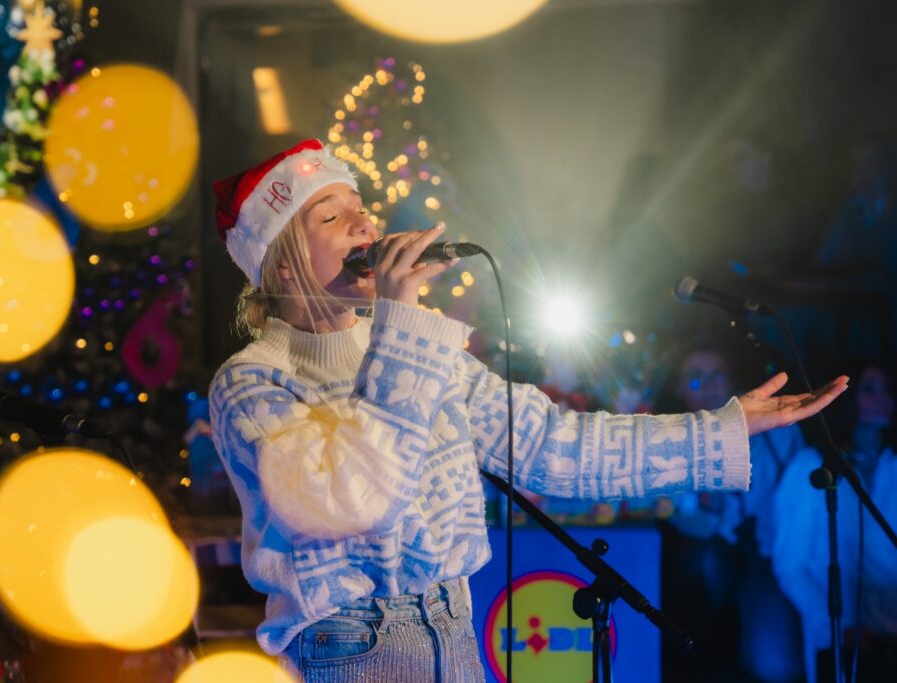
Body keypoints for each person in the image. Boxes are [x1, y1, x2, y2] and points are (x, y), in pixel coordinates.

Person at [207, 139, 848, 682]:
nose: (364, 225)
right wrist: (401, 327)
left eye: (361, 208)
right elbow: (353, 501)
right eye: (331, 217)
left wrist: (723, 428)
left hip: (453, 629)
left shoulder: (419, 353)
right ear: (282, 268)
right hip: (350, 648)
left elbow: (553, 445)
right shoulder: (252, 382)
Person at [657, 340, 805, 683]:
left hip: (772, 559)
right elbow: (679, 515)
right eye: (696, 378)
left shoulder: (775, 426)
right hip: (708, 562)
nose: (709, 387)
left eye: (718, 376)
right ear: (679, 388)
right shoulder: (668, 439)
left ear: (734, 380)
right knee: (700, 565)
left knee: (775, 666)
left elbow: (800, 503)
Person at [772, 362, 897, 683]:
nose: (883, 398)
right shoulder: (811, 467)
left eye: (887, 389)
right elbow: (790, 565)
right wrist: (838, 626)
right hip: (840, 634)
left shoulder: (892, 465)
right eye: (870, 389)